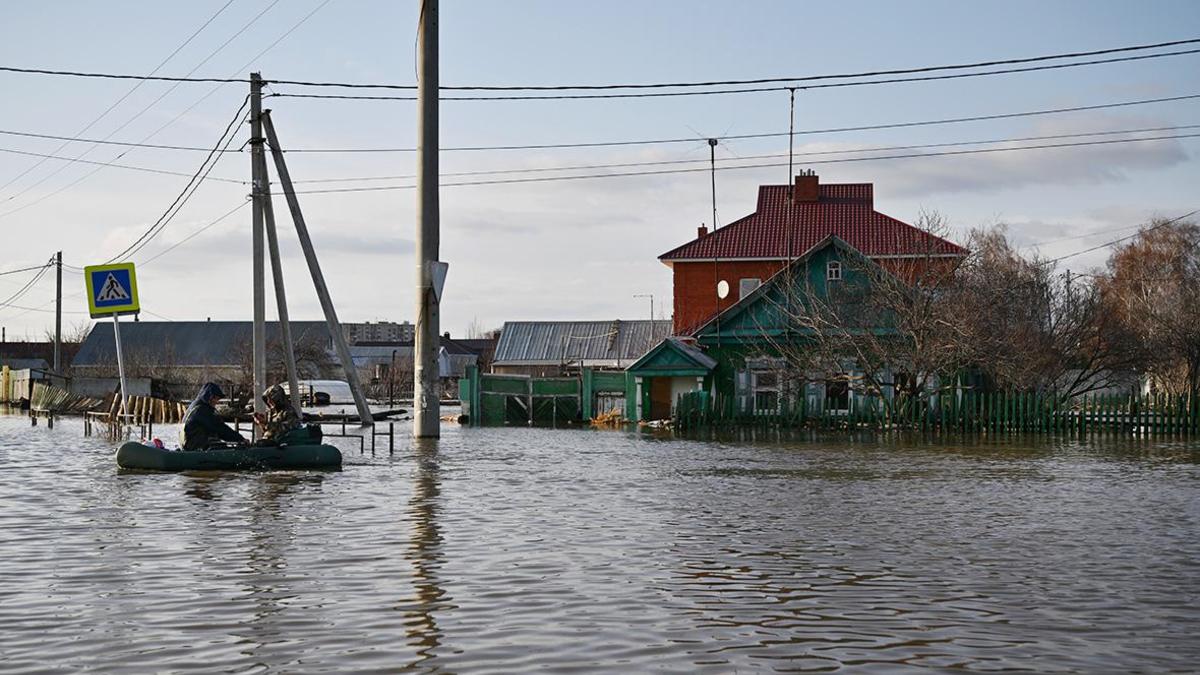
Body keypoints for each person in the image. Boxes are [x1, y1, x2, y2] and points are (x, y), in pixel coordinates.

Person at [180, 382, 247, 451]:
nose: (216, 401)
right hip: (195, 446)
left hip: (190, 444)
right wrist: (240, 439)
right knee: (221, 447)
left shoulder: (197, 405)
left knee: (219, 443)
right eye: (215, 398)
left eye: (217, 399)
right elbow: (219, 428)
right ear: (208, 397)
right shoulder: (202, 410)